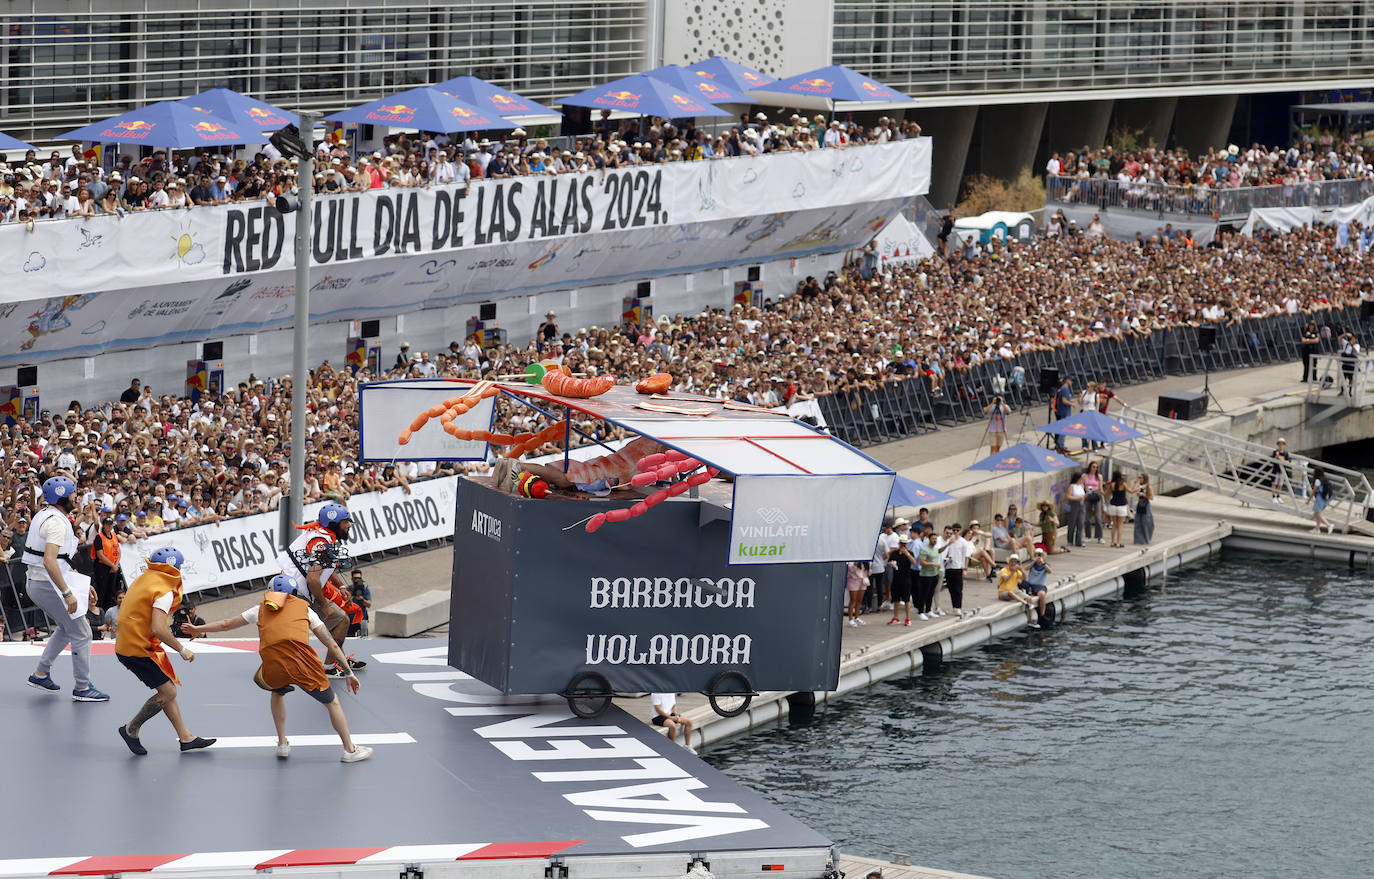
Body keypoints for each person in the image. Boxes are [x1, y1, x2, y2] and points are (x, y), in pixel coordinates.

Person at [184, 574, 371, 763]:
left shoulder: (259, 609)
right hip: (303, 666)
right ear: (295, 593)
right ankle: (349, 749)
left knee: (277, 692)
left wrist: (198, 629)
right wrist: (348, 672)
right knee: (332, 703)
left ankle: (282, 743)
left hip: (273, 665)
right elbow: (331, 644)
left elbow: (226, 625)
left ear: (269, 591)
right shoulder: (306, 610)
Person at [115, 546, 215, 755]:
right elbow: (159, 628)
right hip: (138, 648)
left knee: (165, 690)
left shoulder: (146, 578)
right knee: (169, 691)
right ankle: (131, 729)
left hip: (127, 642)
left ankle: (186, 737)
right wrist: (182, 649)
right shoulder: (164, 591)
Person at [23, 476, 107, 702]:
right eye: (73, 495)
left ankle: (41, 673)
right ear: (63, 497)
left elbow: (58, 560)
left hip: (41, 582)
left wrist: (78, 584)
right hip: (46, 584)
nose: (76, 498)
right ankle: (82, 687)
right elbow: (50, 561)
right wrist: (68, 594)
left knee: (66, 626)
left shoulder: (46, 514)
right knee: (82, 632)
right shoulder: (57, 523)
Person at [273, 502, 364, 676]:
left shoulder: (323, 536)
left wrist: (341, 587)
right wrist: (325, 606)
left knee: (338, 622)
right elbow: (313, 579)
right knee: (340, 621)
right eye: (346, 522)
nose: (349, 525)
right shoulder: (321, 544)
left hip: (300, 589)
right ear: (334, 524)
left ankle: (339, 659)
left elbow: (324, 569)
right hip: (297, 593)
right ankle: (330, 668)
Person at [937, 525, 973, 619]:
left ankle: (958, 607)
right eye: (954, 530)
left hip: (958, 567)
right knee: (951, 589)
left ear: (960, 531)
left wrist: (965, 569)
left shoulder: (963, 542)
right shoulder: (949, 541)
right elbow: (945, 553)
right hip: (949, 567)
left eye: (957, 530)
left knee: (958, 589)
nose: (955, 532)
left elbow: (966, 556)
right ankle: (954, 607)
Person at [90, 515, 122, 611]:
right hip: (102, 567)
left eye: (111, 524)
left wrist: (116, 565)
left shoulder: (114, 535)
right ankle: (100, 612)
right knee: (101, 591)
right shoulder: (99, 537)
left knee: (111, 591)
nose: (109, 526)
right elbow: (100, 555)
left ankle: (108, 611)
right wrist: (112, 565)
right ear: (103, 525)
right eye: (107, 524)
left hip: (113, 567)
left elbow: (119, 551)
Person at [886, 526, 916, 626]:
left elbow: (914, 562)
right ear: (899, 543)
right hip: (896, 578)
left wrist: (906, 553)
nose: (903, 545)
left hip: (906, 579)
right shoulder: (894, 553)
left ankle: (908, 618)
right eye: (901, 543)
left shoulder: (909, 553)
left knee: (907, 599)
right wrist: (890, 564)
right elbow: (889, 562)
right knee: (896, 599)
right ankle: (896, 617)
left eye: (904, 544)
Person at [996, 556, 1037, 625]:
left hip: (1015, 591)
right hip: (1003, 592)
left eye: (1014, 562)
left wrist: (1021, 570)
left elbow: (1023, 579)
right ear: (1009, 563)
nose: (1012, 563)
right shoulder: (1004, 570)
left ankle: (1031, 620)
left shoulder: (1017, 572)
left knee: (1029, 598)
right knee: (1010, 592)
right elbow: (1006, 579)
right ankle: (1026, 604)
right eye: (1011, 561)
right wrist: (1013, 572)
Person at [914, 531, 942, 620]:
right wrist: (933, 564)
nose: (935, 540)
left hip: (934, 574)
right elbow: (922, 562)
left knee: (931, 593)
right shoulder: (925, 549)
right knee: (923, 594)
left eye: (936, 539)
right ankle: (920, 611)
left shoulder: (935, 549)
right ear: (929, 539)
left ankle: (928, 610)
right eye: (933, 539)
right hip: (926, 575)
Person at [1022, 548, 1051, 629]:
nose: (1038, 557)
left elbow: (1049, 571)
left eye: (1040, 555)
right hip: (1030, 584)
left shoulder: (1046, 564)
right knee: (1022, 584)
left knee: (1042, 594)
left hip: (1040, 585)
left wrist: (1043, 563)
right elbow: (1026, 568)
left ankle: (1042, 614)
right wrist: (1034, 561)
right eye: (1037, 555)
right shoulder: (1032, 563)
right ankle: (1030, 618)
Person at [1106, 472, 1131, 547]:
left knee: (1114, 525)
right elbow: (1131, 491)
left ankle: (1112, 542)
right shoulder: (1123, 484)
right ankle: (1118, 543)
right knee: (1120, 525)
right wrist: (1137, 487)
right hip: (1122, 506)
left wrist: (1102, 486)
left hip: (1113, 505)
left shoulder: (1112, 485)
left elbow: (1105, 493)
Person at [1083, 460, 1105, 543]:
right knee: (1087, 517)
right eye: (1093, 467)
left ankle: (1100, 536)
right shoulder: (1085, 476)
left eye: (1096, 467)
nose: (1095, 469)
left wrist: (1103, 501)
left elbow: (1101, 489)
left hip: (1096, 495)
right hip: (1088, 495)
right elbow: (1084, 486)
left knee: (1098, 517)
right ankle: (1088, 535)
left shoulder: (1099, 476)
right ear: (1090, 467)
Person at [1309, 467, 1334, 534]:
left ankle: (1328, 525)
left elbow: (1314, 491)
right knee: (1318, 513)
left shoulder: (1317, 481)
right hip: (1326, 499)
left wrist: (1308, 500)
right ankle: (1317, 529)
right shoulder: (1325, 479)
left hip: (1320, 499)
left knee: (1317, 513)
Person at [1065, 471, 1087, 547]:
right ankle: (1070, 540)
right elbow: (1068, 496)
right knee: (1072, 523)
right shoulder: (1072, 486)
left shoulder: (1081, 486)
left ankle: (1079, 541)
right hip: (1074, 505)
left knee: (1080, 523)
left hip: (1081, 505)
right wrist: (1078, 498)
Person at [1053, 377, 1074, 453]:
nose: (1072, 382)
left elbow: (1064, 399)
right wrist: (1071, 404)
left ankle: (1061, 445)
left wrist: (1070, 401)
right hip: (1064, 412)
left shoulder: (1064, 388)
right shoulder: (1065, 388)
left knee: (1063, 430)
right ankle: (1060, 446)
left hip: (1064, 412)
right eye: (1071, 380)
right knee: (1064, 430)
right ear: (1067, 380)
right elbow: (1064, 401)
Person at [349, 569, 372, 637]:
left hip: (362, 620)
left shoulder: (365, 589)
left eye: (359, 578)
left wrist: (362, 600)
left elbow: (369, 604)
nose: (357, 580)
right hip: (350, 620)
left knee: (364, 640)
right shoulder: (349, 589)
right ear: (352, 579)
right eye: (355, 578)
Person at [1133, 473, 1155, 544]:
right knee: (1138, 522)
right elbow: (1131, 490)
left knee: (1146, 522)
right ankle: (1138, 539)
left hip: (1146, 505)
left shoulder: (1148, 487)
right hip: (1139, 504)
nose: (1140, 479)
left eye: (1141, 478)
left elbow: (1151, 497)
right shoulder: (1140, 487)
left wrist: (1144, 495)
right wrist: (1135, 482)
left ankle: (1146, 538)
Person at [845, 560, 868, 626]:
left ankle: (857, 617)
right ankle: (850, 619)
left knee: (859, 600)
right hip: (853, 580)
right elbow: (851, 569)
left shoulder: (865, 560)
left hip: (863, 581)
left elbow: (868, 571)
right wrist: (855, 564)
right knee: (853, 600)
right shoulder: (852, 561)